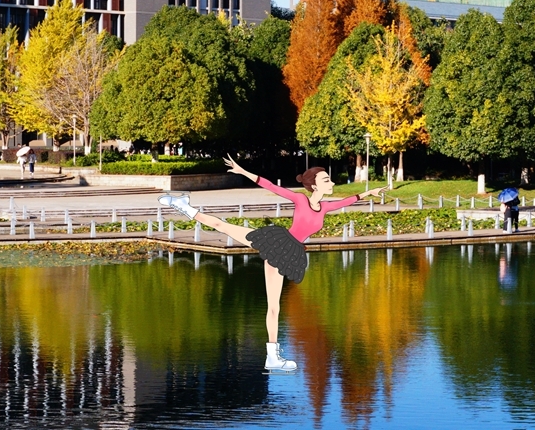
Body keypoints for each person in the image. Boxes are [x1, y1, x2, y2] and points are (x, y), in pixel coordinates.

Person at [158, 156, 385, 374]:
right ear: (314, 185)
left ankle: (272, 356)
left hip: (290, 252)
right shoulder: (301, 200)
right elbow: (270, 186)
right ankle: (182, 205)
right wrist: (243, 171)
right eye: (326, 180)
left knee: (274, 306)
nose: (332, 182)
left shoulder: (324, 207)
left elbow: (349, 200)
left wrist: (369, 192)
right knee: (222, 226)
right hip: (278, 243)